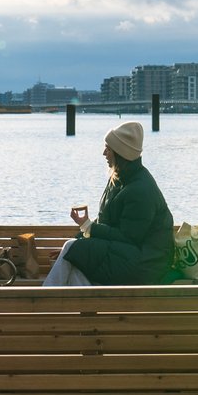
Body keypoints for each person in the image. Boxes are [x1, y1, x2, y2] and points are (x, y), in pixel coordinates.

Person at [42, 121, 173, 286]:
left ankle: (40, 300)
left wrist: (87, 229)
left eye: (108, 149)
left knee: (71, 249)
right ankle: (75, 305)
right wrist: (80, 237)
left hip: (146, 264)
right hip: (127, 256)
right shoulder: (118, 179)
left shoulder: (140, 190)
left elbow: (129, 237)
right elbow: (106, 223)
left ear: (120, 153)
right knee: (72, 259)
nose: (104, 153)